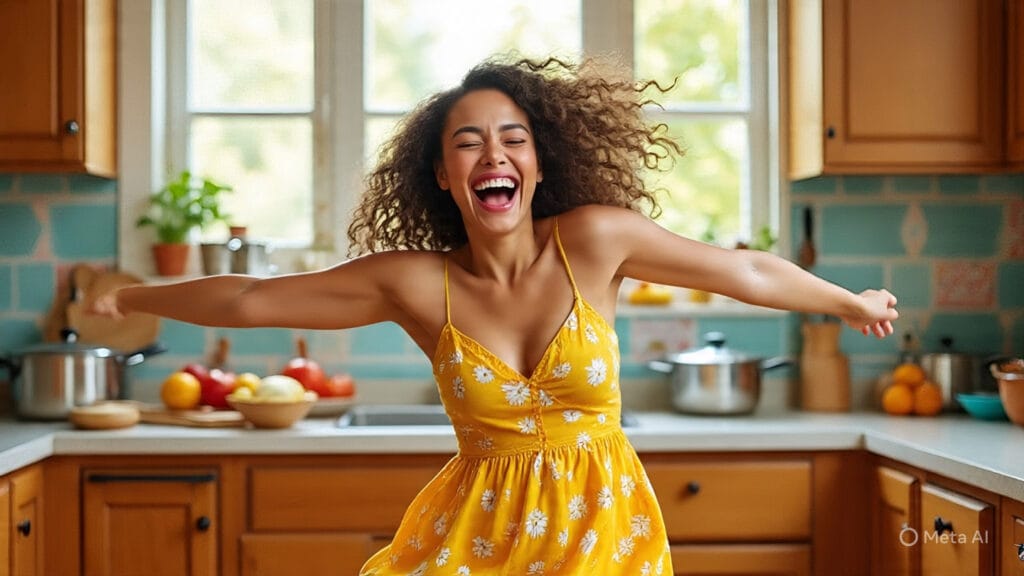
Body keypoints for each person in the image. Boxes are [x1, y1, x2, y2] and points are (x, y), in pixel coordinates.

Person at [97, 56, 898, 574]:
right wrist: (131, 295)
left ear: (538, 164)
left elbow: (745, 269)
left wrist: (848, 302)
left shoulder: (593, 242)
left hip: (603, 539)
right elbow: (250, 297)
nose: (493, 156)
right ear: (443, 176)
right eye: (468, 144)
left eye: (512, 139)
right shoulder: (414, 284)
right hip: (478, 542)